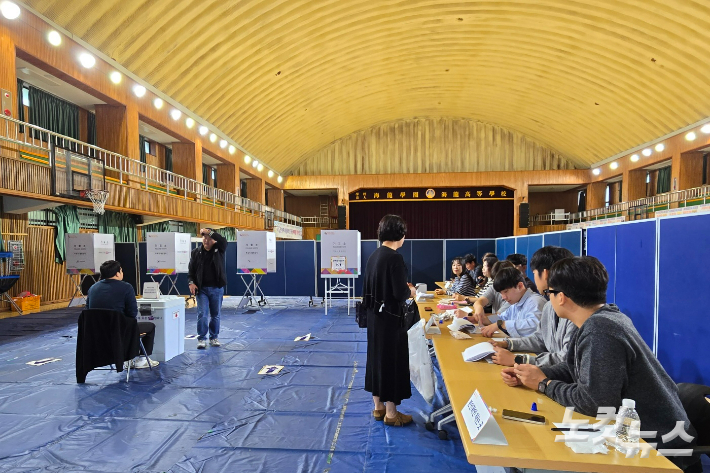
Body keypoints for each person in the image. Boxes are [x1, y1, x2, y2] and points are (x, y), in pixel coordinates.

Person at [503, 257, 697, 469]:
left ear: (561, 297)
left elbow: (594, 403)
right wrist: (534, 373)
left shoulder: (600, 330)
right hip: (634, 435)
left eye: (549, 293)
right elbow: (572, 368)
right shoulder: (600, 319)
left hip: (656, 448)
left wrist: (544, 384)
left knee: (531, 461)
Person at [362, 214, 417, 427]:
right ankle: (392, 414)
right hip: (391, 320)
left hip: (375, 319)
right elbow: (399, 293)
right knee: (392, 363)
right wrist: (410, 291)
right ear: (400, 234)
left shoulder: (374, 256)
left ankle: (378, 407)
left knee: (376, 360)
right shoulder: (395, 258)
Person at [490, 246, 576, 367]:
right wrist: (508, 344)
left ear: (545, 274)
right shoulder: (549, 306)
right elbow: (540, 339)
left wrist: (519, 360)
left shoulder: (575, 311)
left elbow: (566, 359)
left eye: (534, 273)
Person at [86, 260, 157, 368]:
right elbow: (132, 313)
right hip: (119, 331)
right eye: (121, 270)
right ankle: (141, 359)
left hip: (97, 332)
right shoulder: (126, 287)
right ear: (117, 273)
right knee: (150, 326)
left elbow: (87, 311)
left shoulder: (92, 288)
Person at [188, 228, 228, 349]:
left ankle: (214, 337)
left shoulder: (219, 249)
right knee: (202, 314)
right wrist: (191, 283)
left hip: (216, 288)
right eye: (204, 237)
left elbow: (224, 241)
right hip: (202, 290)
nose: (206, 240)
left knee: (215, 314)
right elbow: (191, 271)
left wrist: (209, 232)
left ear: (213, 240)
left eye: (209, 238)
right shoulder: (196, 252)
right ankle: (201, 338)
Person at [478, 267, 546, 338]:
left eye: (506, 292)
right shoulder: (516, 303)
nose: (503, 297)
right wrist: (482, 319)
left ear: (520, 286)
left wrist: (503, 324)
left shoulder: (535, 301)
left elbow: (535, 325)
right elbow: (502, 318)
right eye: (501, 293)